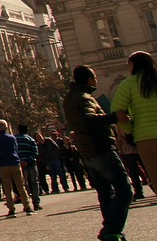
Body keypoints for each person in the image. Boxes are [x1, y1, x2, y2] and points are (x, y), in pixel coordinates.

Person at [64, 64, 132, 241]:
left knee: (105, 193)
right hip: (100, 148)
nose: (96, 80)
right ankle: (111, 229)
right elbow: (89, 120)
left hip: (87, 152)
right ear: (89, 79)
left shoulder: (70, 98)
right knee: (124, 188)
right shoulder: (85, 97)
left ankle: (111, 231)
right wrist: (115, 117)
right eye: (94, 77)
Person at [113, 50, 157, 186]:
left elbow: (117, 112)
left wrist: (129, 130)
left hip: (144, 138)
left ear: (133, 65)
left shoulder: (128, 84)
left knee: (155, 177)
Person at [0, 120, 32, 216]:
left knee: (7, 187)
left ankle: (11, 208)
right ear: (6, 127)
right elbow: (15, 149)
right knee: (20, 186)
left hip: (2, 164)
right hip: (14, 162)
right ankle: (27, 206)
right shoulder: (12, 138)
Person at [14, 125, 41, 210]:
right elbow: (35, 153)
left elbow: (13, 151)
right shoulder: (30, 139)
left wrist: (20, 161)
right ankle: (36, 203)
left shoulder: (14, 139)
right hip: (31, 164)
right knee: (34, 183)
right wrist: (28, 161)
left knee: (22, 185)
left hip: (19, 165)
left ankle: (26, 204)